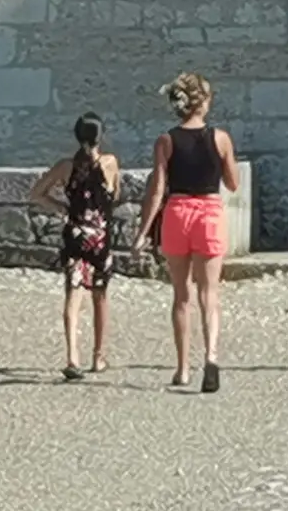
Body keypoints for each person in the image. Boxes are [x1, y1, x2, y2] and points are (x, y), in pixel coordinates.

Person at [144, 71, 236, 393]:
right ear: (204, 103)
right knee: (209, 294)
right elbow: (233, 183)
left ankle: (182, 368)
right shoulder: (221, 138)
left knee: (181, 296)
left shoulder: (165, 140)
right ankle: (211, 355)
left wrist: (142, 231)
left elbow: (157, 190)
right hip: (209, 213)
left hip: (178, 213)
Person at [30, 114, 122, 380]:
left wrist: (62, 207)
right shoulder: (110, 163)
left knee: (73, 293)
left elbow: (36, 193)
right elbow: (114, 195)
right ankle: (98, 355)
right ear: (100, 136)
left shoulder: (65, 167)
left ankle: (72, 356)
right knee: (100, 296)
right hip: (100, 237)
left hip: (75, 233)